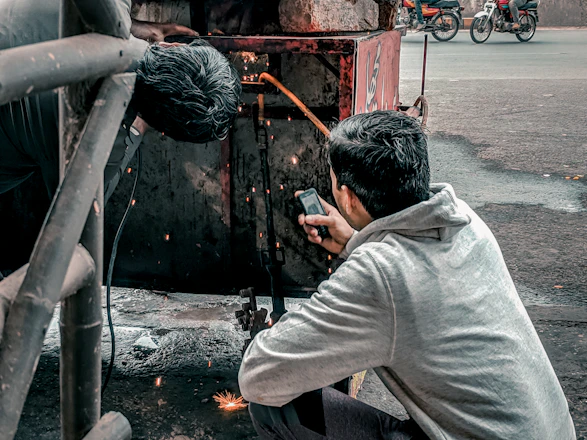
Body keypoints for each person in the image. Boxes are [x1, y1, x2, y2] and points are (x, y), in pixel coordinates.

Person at [238, 111, 576, 440]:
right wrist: (357, 241)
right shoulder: (465, 222)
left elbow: (258, 376)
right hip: (551, 429)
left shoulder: (377, 275)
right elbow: (412, 282)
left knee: (274, 407)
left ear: (349, 197)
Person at [0, 0, 241, 203]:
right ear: (165, 129)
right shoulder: (97, 147)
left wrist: (133, 28)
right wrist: (138, 129)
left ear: (172, 45)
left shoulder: (102, 6)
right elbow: (90, 206)